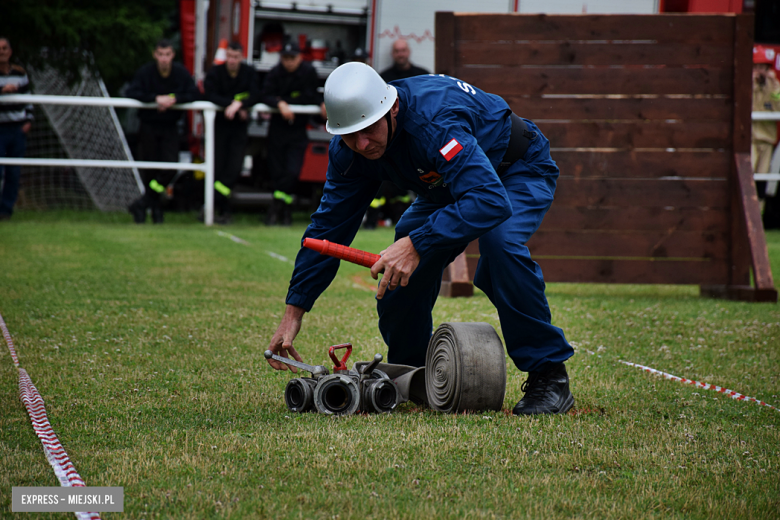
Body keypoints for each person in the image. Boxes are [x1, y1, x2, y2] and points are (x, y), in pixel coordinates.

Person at [266, 63, 575, 416]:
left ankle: (550, 377)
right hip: (446, 186)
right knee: (399, 277)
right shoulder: (349, 151)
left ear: (391, 109)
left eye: (368, 129)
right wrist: (294, 312)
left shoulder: (433, 122)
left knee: (500, 247)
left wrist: (416, 243)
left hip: (514, 170)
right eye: (350, 135)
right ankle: (413, 375)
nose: (362, 143)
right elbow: (327, 230)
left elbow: (489, 200)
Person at [126, 39, 200, 224]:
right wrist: (155, 99)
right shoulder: (146, 72)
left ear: (172, 55)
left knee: (170, 167)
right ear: (155, 55)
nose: (164, 59)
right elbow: (132, 92)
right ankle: (154, 211)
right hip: (149, 126)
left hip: (170, 127)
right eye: (161, 54)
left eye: (167, 55)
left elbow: (194, 93)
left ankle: (141, 204)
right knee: (150, 170)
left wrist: (174, 99)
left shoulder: (180, 73)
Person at [260, 42, 326, 226]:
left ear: (300, 57)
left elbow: (310, 96)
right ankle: (285, 211)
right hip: (277, 131)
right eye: (285, 58)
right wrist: (279, 104)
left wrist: (322, 103)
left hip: (298, 131)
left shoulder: (308, 73)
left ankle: (276, 209)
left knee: (292, 172)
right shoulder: (275, 73)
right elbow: (264, 95)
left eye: (292, 58)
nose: (288, 62)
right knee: (278, 173)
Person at [204, 41, 261, 224]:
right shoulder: (216, 73)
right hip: (220, 127)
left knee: (234, 168)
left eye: (236, 57)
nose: (232, 60)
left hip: (238, 128)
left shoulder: (249, 73)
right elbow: (208, 94)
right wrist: (231, 104)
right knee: (217, 168)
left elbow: (256, 94)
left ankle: (214, 204)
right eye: (229, 56)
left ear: (241, 57)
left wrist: (240, 104)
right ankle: (220, 208)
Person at [0, 37, 33, 221]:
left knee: (13, 172)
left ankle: (5, 211)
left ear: (10, 51)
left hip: (17, 129)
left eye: (5, 48)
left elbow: (29, 98)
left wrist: (28, 120)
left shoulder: (20, 73)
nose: (2, 52)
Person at [752, 45, 780, 229]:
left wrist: (775, 85)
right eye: (757, 66)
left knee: (762, 182)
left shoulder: (773, 86)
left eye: (764, 66)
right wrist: (753, 85)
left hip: (767, 141)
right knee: (749, 178)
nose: (761, 71)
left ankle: (757, 221)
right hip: (750, 140)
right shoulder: (747, 84)